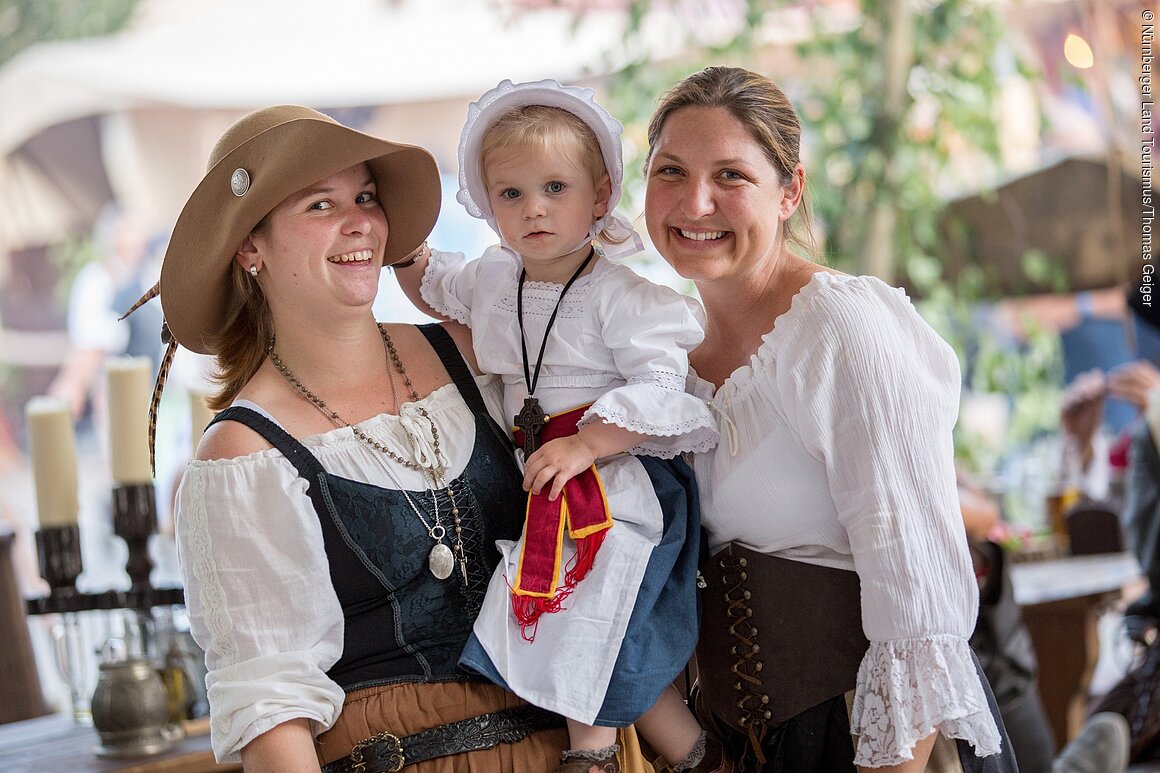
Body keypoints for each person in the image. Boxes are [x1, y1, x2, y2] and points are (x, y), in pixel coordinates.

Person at [124, 104, 672, 772]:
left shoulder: (472, 353)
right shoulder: (244, 455)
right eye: (321, 205)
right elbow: (273, 717)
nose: (359, 221)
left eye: (365, 197)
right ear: (251, 247)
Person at [641, 65, 1016, 772]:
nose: (696, 201)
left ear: (790, 192)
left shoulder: (841, 328)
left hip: (887, 742)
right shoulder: (667, 359)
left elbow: (918, 601)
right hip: (757, 750)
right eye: (671, 170)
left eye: (731, 175)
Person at [394, 79, 723, 773]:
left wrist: (588, 442)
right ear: (488, 206)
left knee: (587, 621)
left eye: (554, 188)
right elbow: (434, 282)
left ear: (598, 198)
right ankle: (699, 756)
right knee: (595, 641)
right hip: (548, 474)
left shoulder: (621, 295)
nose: (534, 209)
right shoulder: (493, 279)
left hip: (616, 483)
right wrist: (399, 247)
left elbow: (663, 385)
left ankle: (591, 756)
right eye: (510, 195)